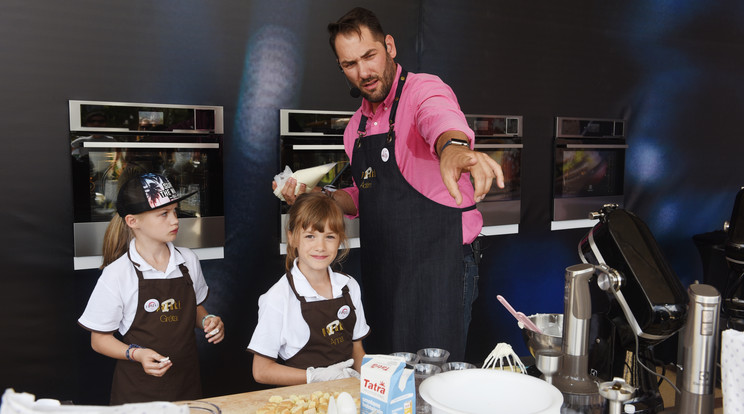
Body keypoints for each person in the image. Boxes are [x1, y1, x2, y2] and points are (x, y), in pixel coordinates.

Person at [275, 7, 504, 361]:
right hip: (385, 269)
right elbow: (365, 194)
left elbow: (441, 118)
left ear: (390, 47)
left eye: (370, 55)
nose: (364, 72)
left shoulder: (423, 91)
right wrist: (320, 198)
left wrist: (454, 148)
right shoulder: (356, 129)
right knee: (389, 372)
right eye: (350, 64)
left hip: (440, 266)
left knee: (434, 374)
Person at [78, 172, 225, 404]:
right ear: (132, 221)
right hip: (138, 394)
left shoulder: (188, 260)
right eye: (163, 214)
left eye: (175, 211)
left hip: (186, 384)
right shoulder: (118, 274)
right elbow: (99, 340)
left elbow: (195, 307)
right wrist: (137, 354)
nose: (175, 220)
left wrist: (209, 320)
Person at [247, 192, 369, 385]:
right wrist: (315, 377)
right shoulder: (278, 297)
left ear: (340, 239)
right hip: (304, 401)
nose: (320, 246)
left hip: (348, 395)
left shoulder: (349, 287)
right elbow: (261, 371)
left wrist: (375, 383)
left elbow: (357, 351)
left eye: (329, 236)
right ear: (293, 238)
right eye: (310, 236)